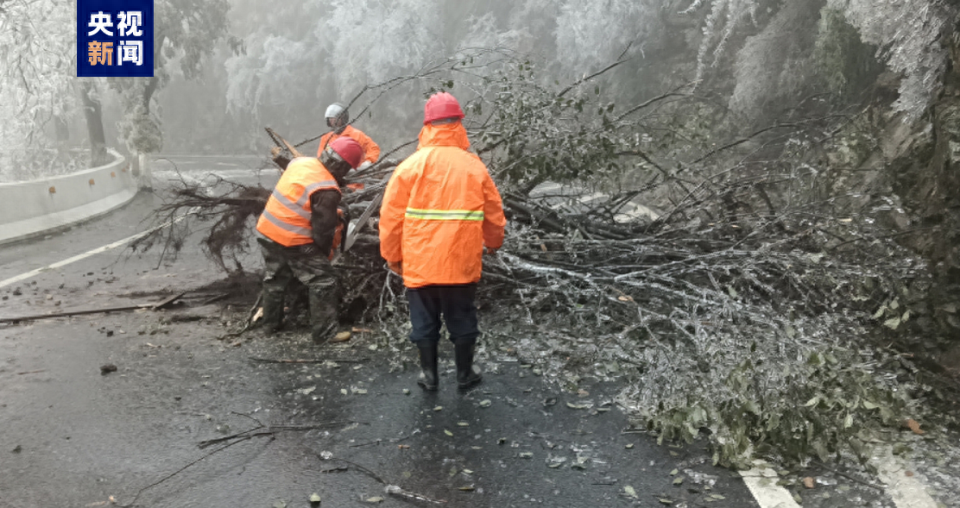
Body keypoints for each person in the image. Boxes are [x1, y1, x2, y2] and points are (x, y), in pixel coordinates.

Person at [379, 92, 507, 391]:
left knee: (423, 320)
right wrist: (493, 243)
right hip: (461, 261)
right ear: (459, 123)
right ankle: (465, 375)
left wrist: (393, 256)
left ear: (427, 126)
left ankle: (429, 376)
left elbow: (390, 219)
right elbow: (494, 213)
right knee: (462, 317)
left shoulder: (410, 167)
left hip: (420, 262)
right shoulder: (473, 166)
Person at [256, 137, 363, 342]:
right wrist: (323, 259)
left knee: (275, 278)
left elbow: (303, 180)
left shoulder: (301, 162)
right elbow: (322, 232)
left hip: (268, 230)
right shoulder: (327, 190)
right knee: (324, 280)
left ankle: (270, 326)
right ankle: (325, 333)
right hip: (292, 238)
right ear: (342, 166)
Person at [316, 102, 380, 170]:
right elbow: (320, 157)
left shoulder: (357, 134)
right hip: (333, 174)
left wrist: (368, 162)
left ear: (343, 118)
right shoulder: (326, 137)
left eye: (335, 118)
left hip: (355, 174)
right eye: (330, 118)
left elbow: (374, 148)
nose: (332, 120)